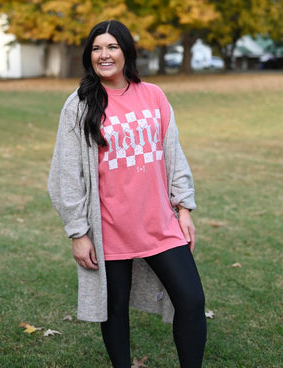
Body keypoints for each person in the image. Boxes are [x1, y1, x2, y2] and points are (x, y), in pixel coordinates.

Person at [48, 20, 207, 368]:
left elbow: (172, 153)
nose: (104, 55)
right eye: (96, 48)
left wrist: (183, 207)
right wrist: (78, 232)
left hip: (159, 223)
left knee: (192, 300)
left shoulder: (153, 95)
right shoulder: (79, 105)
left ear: (126, 51)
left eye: (112, 47)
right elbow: (65, 174)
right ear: (89, 55)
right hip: (110, 228)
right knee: (114, 310)